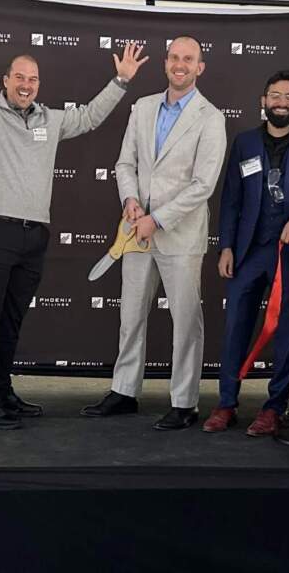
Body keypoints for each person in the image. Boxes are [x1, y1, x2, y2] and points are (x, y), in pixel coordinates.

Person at [0, 0, 146, 429]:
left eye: (33, 79)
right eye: (19, 77)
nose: (26, 84)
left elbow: (90, 117)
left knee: (11, 319)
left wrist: (122, 81)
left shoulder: (50, 121)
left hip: (33, 234)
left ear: (39, 85)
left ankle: (1, 391)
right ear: (5, 81)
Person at [81, 36, 227, 431]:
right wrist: (130, 202)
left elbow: (203, 184)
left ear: (200, 67)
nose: (180, 64)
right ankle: (125, 391)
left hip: (178, 236)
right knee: (130, 316)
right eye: (175, 57)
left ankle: (184, 401)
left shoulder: (211, 118)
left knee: (185, 321)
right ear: (166, 62)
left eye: (189, 59)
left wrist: (156, 219)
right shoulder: (143, 107)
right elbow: (124, 163)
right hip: (135, 233)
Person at [202, 70, 289, 436]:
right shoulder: (244, 143)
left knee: (287, 332)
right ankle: (226, 402)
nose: (282, 102)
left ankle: (274, 407)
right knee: (234, 331)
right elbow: (230, 200)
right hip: (247, 253)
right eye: (275, 95)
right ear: (264, 102)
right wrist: (226, 245)